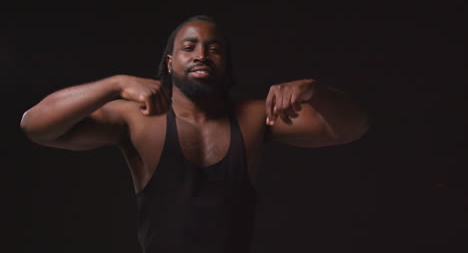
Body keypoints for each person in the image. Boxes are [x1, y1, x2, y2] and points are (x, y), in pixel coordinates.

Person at [20, 15, 369, 253]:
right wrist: (115, 84)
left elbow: (352, 128)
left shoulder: (255, 116)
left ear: (225, 62)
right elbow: (34, 124)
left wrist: (314, 90)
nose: (201, 55)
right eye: (189, 47)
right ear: (170, 62)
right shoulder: (139, 117)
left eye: (214, 48)